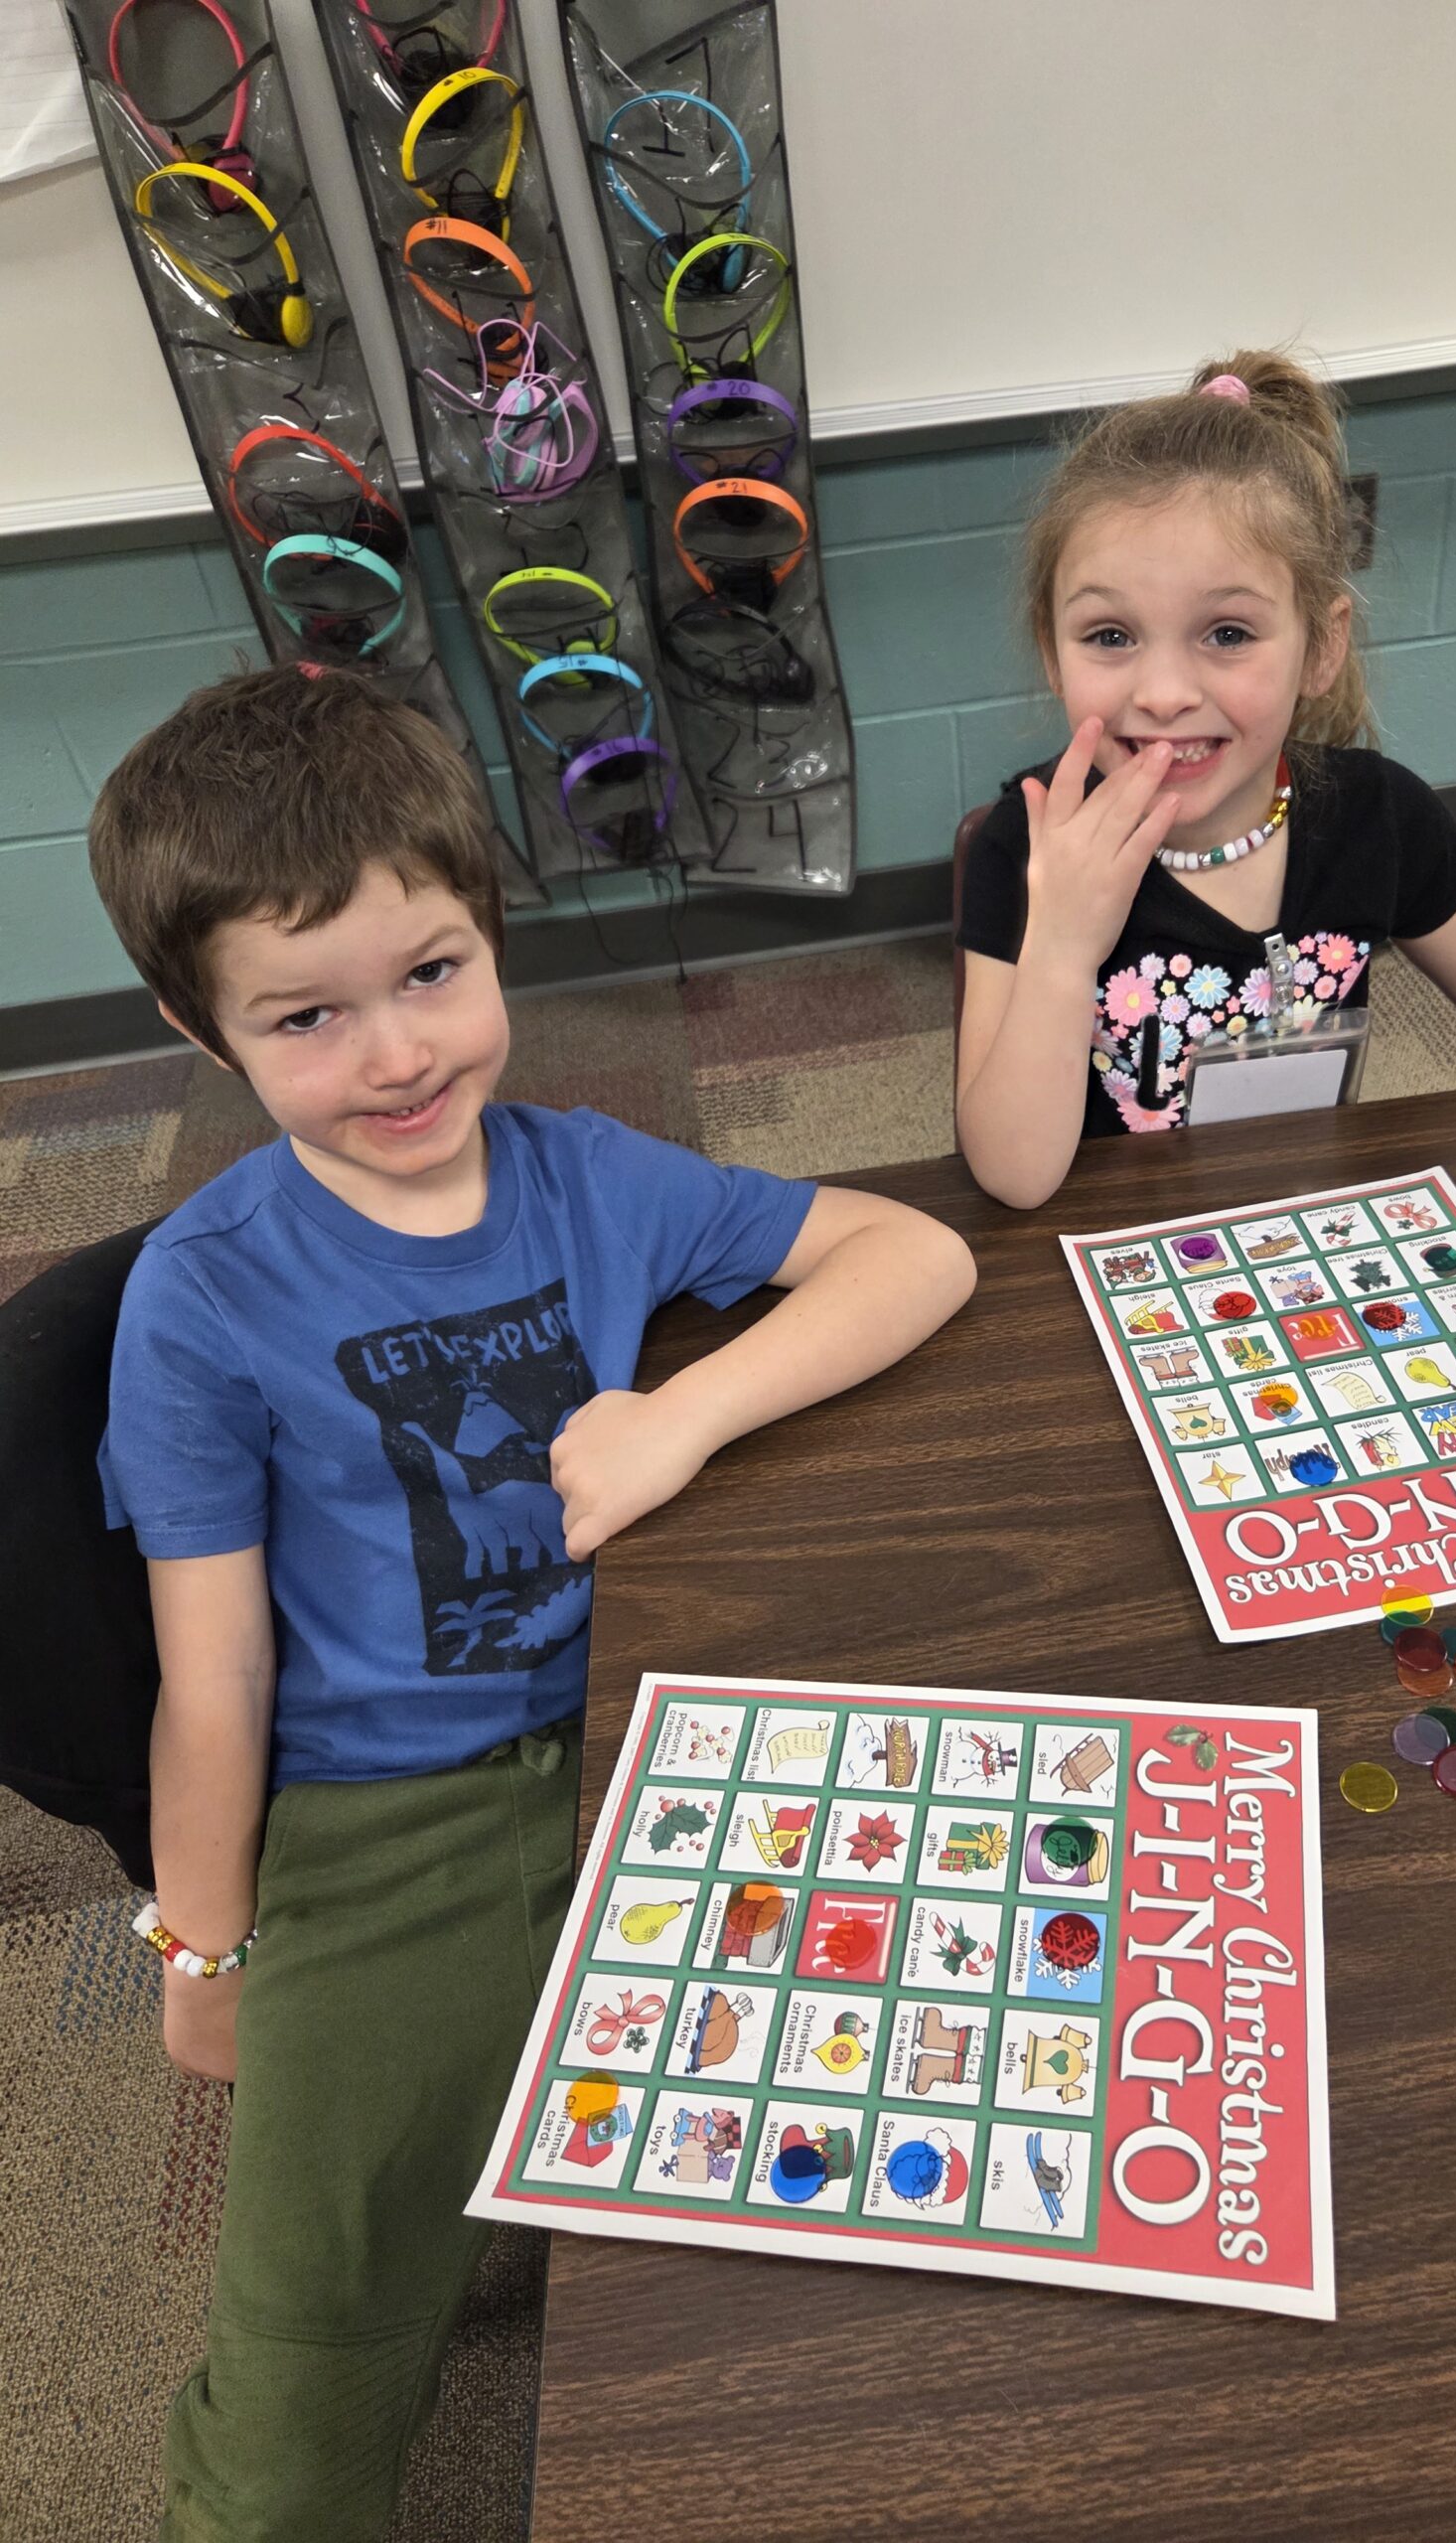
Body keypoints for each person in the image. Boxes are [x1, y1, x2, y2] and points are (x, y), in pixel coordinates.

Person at [85, 663, 975, 2541]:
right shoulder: (203, 1293)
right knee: (310, 2357)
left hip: (658, 1736)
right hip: (383, 1823)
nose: (398, 1056)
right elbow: (212, 1677)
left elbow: (915, 1254)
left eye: (431, 975)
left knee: (864, 2177)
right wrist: (203, 1951)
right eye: (308, 1018)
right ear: (201, 1028)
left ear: (492, 931)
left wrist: (681, 1415)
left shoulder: (592, 1178)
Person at [955, 350, 1456, 1208]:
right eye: (1111, 636)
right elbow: (1013, 1176)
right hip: (1109, 1259)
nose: (1164, 696)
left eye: (1228, 633)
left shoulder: (1375, 817)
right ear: (1053, 654)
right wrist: (1061, 939)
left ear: (1321, 644)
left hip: (1306, 1226)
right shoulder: (1027, 843)